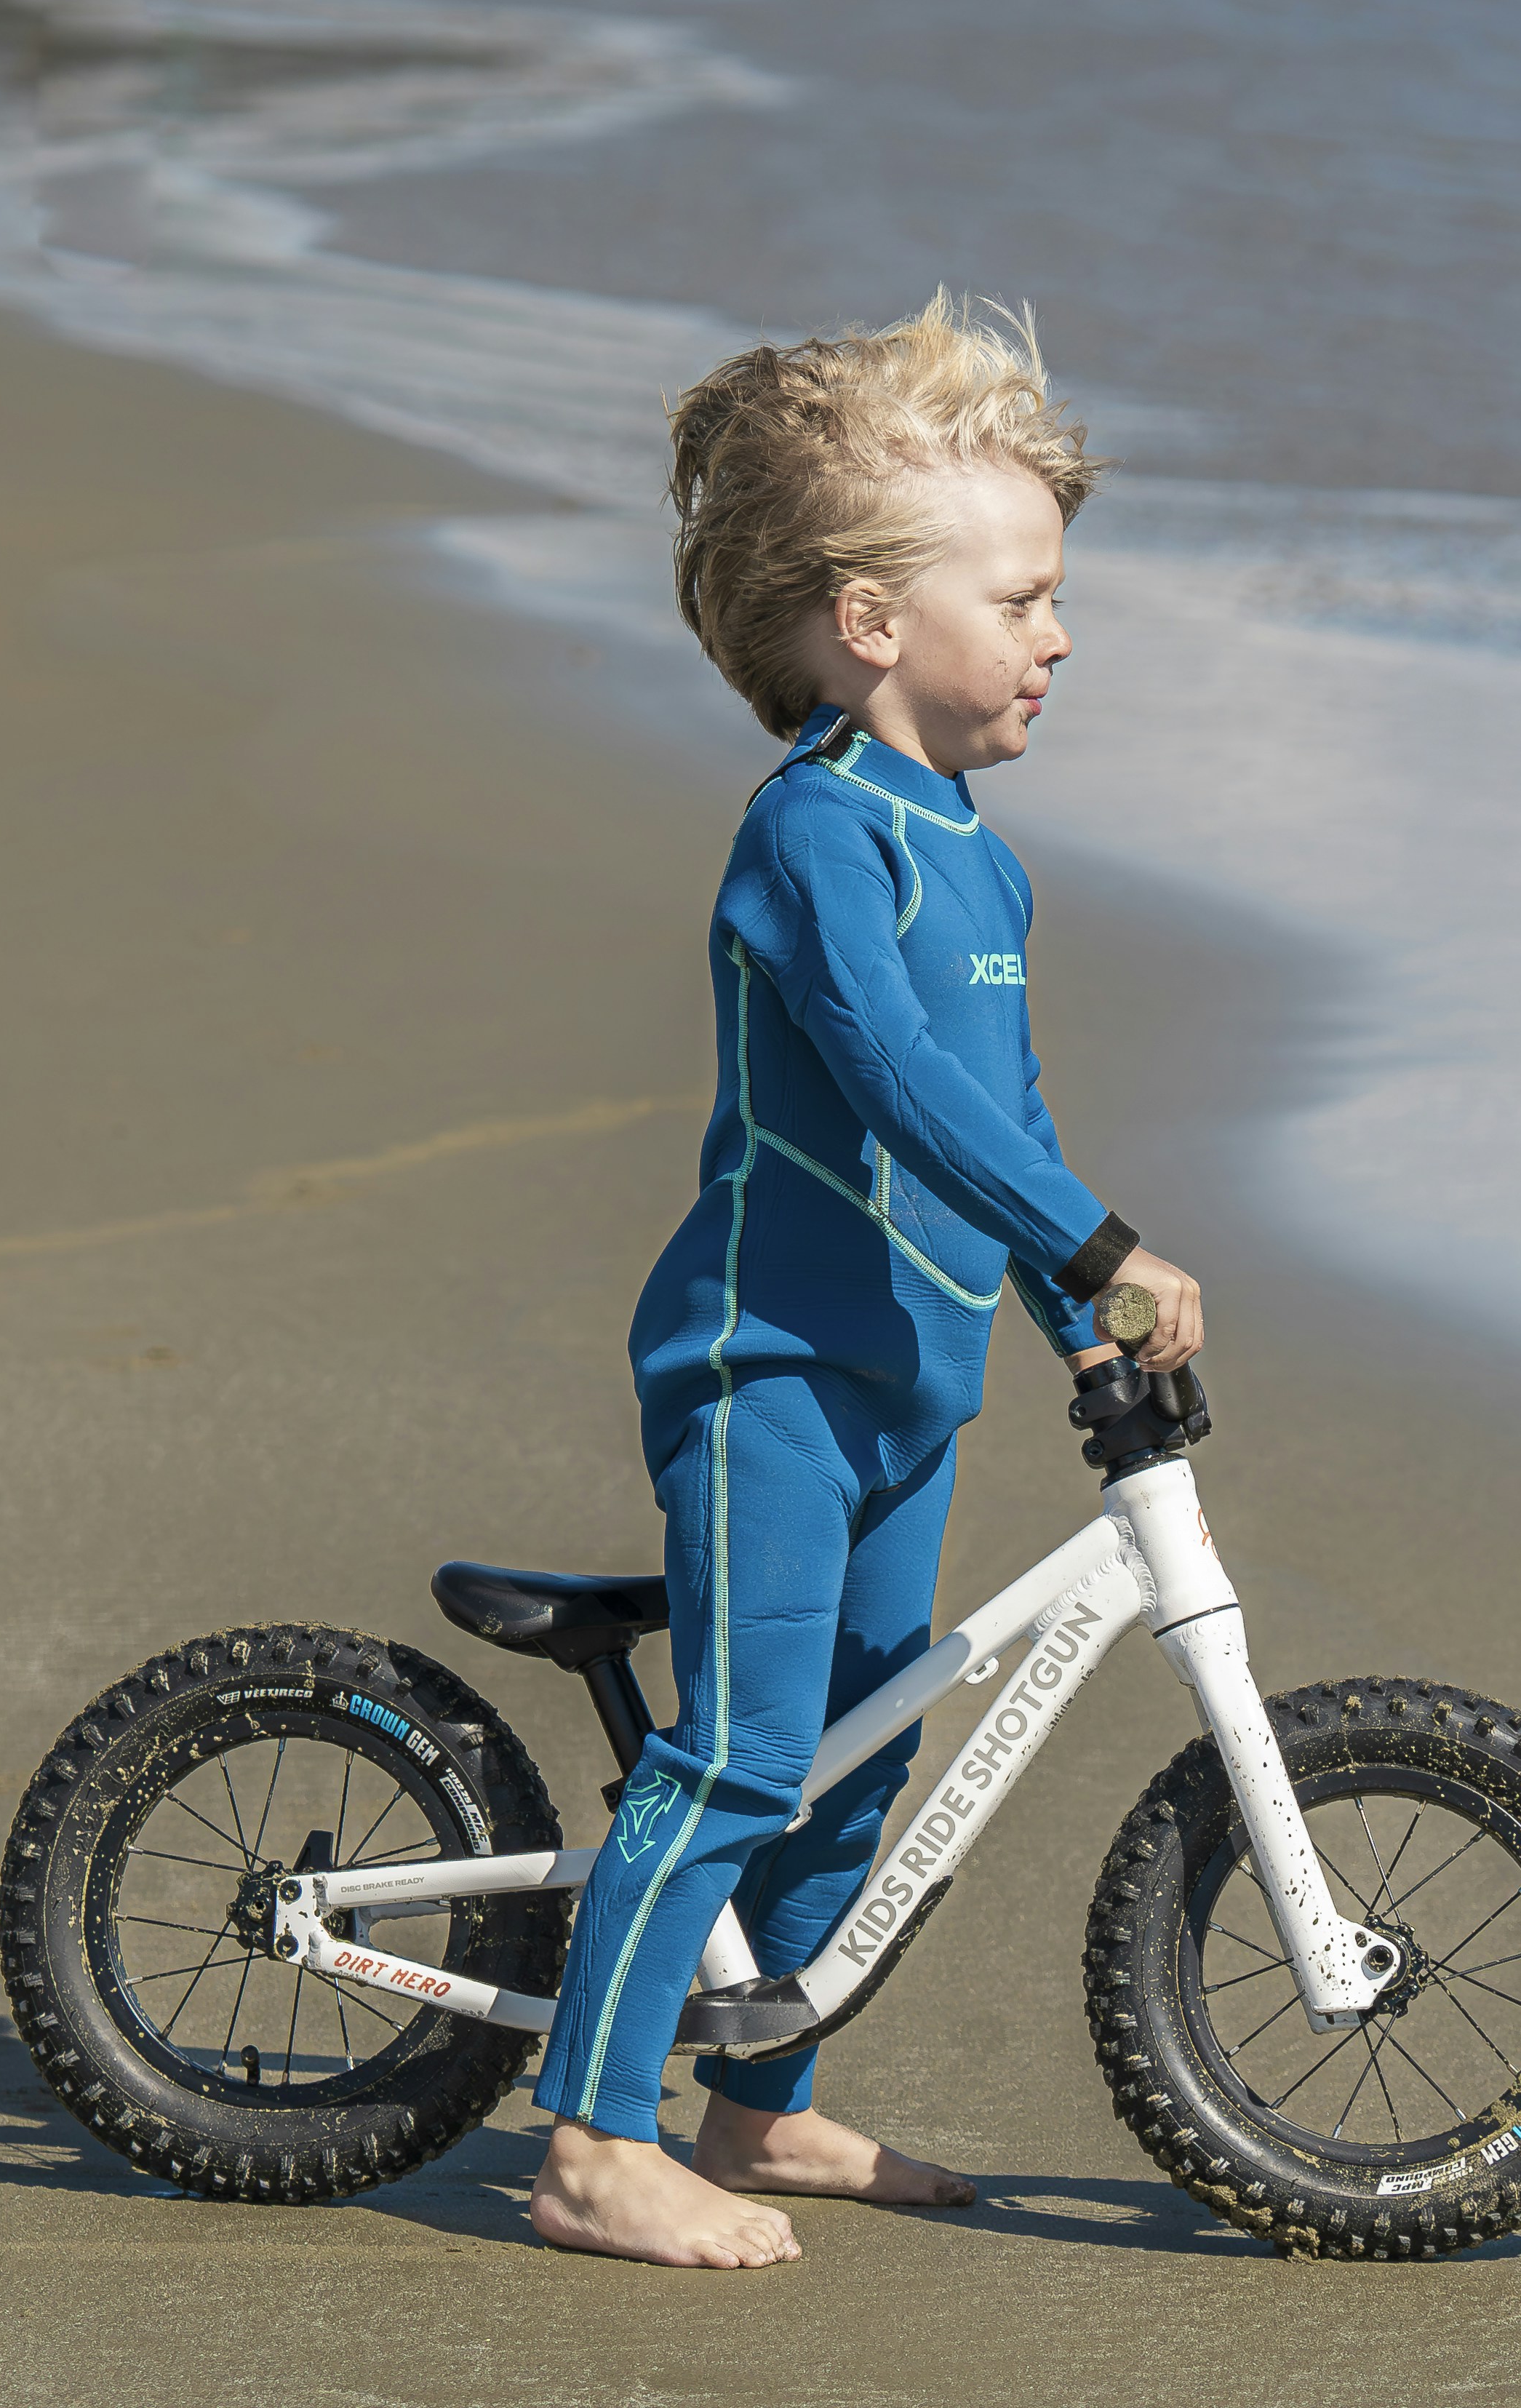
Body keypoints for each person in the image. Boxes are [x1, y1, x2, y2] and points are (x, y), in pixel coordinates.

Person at [527, 296, 1205, 2269]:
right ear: (872, 621)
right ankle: (586, 2145)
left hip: (913, 1385)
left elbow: (1006, 1104)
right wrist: (1095, 1242)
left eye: (1059, 594)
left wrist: (1072, 1306)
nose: (1061, 633)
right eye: (1023, 596)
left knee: (863, 1744)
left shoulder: (976, 858)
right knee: (741, 1746)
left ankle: (758, 2110)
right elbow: (897, 1084)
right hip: (773, 1374)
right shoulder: (816, 832)